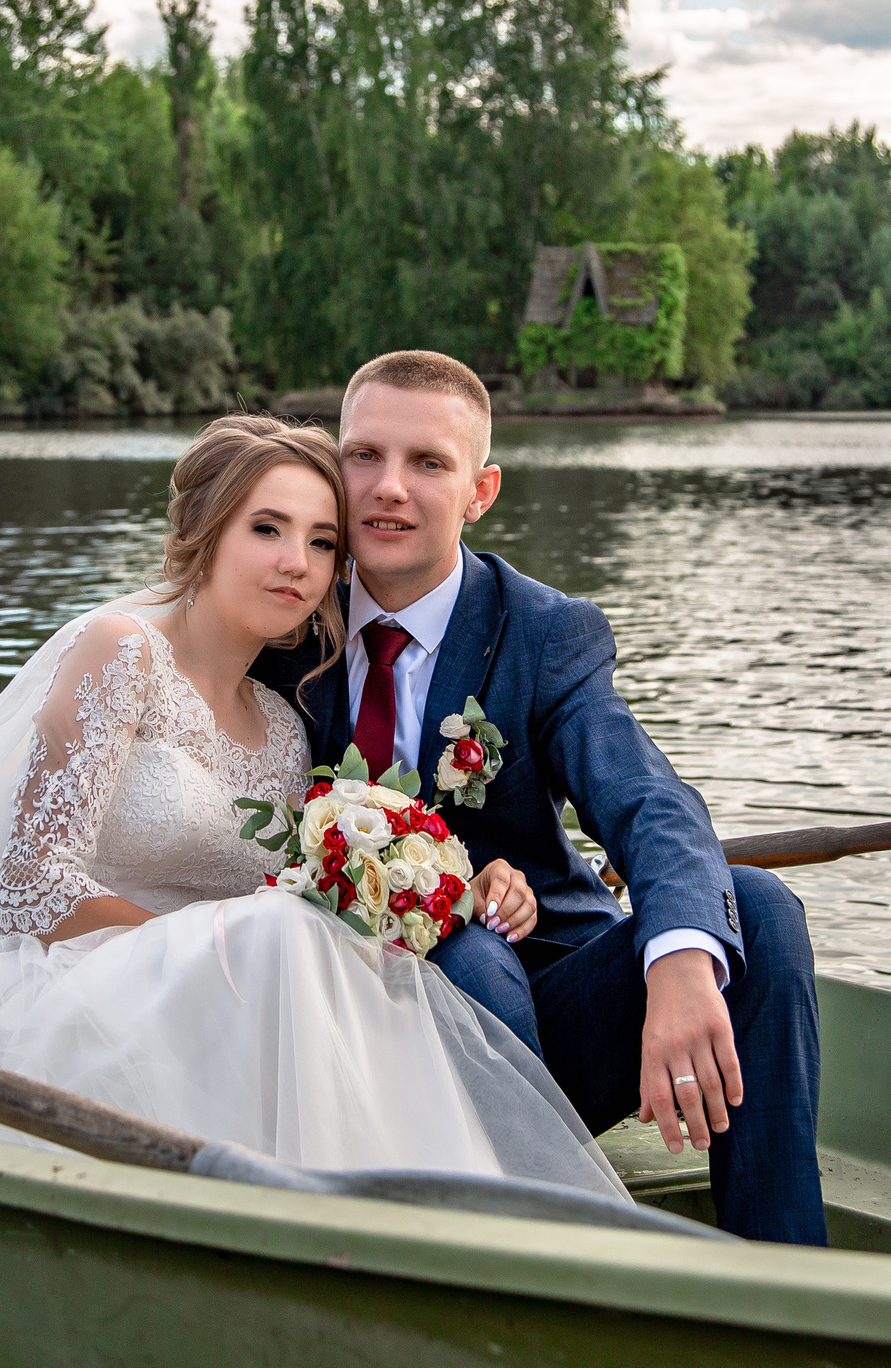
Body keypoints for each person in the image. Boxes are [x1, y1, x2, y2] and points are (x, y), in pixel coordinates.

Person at [0, 414, 626, 1199]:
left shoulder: (289, 730)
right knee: (286, 940)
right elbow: (33, 885)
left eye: (323, 541)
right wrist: (206, 949)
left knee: (347, 959)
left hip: (206, 1003)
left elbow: (288, 895)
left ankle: (448, 1224)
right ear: (206, 533)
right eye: (267, 528)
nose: (296, 561)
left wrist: (447, 882)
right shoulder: (122, 652)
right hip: (57, 992)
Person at [252, 351, 827, 1244]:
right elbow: (171, 737)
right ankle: (530, 1255)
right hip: (335, 1032)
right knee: (468, 950)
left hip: (540, 1021)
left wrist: (678, 957)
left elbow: (647, 797)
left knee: (758, 907)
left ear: (480, 491)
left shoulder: (544, 631)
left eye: (428, 463)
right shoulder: (283, 610)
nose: (388, 488)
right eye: (364, 456)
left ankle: (785, 1270)